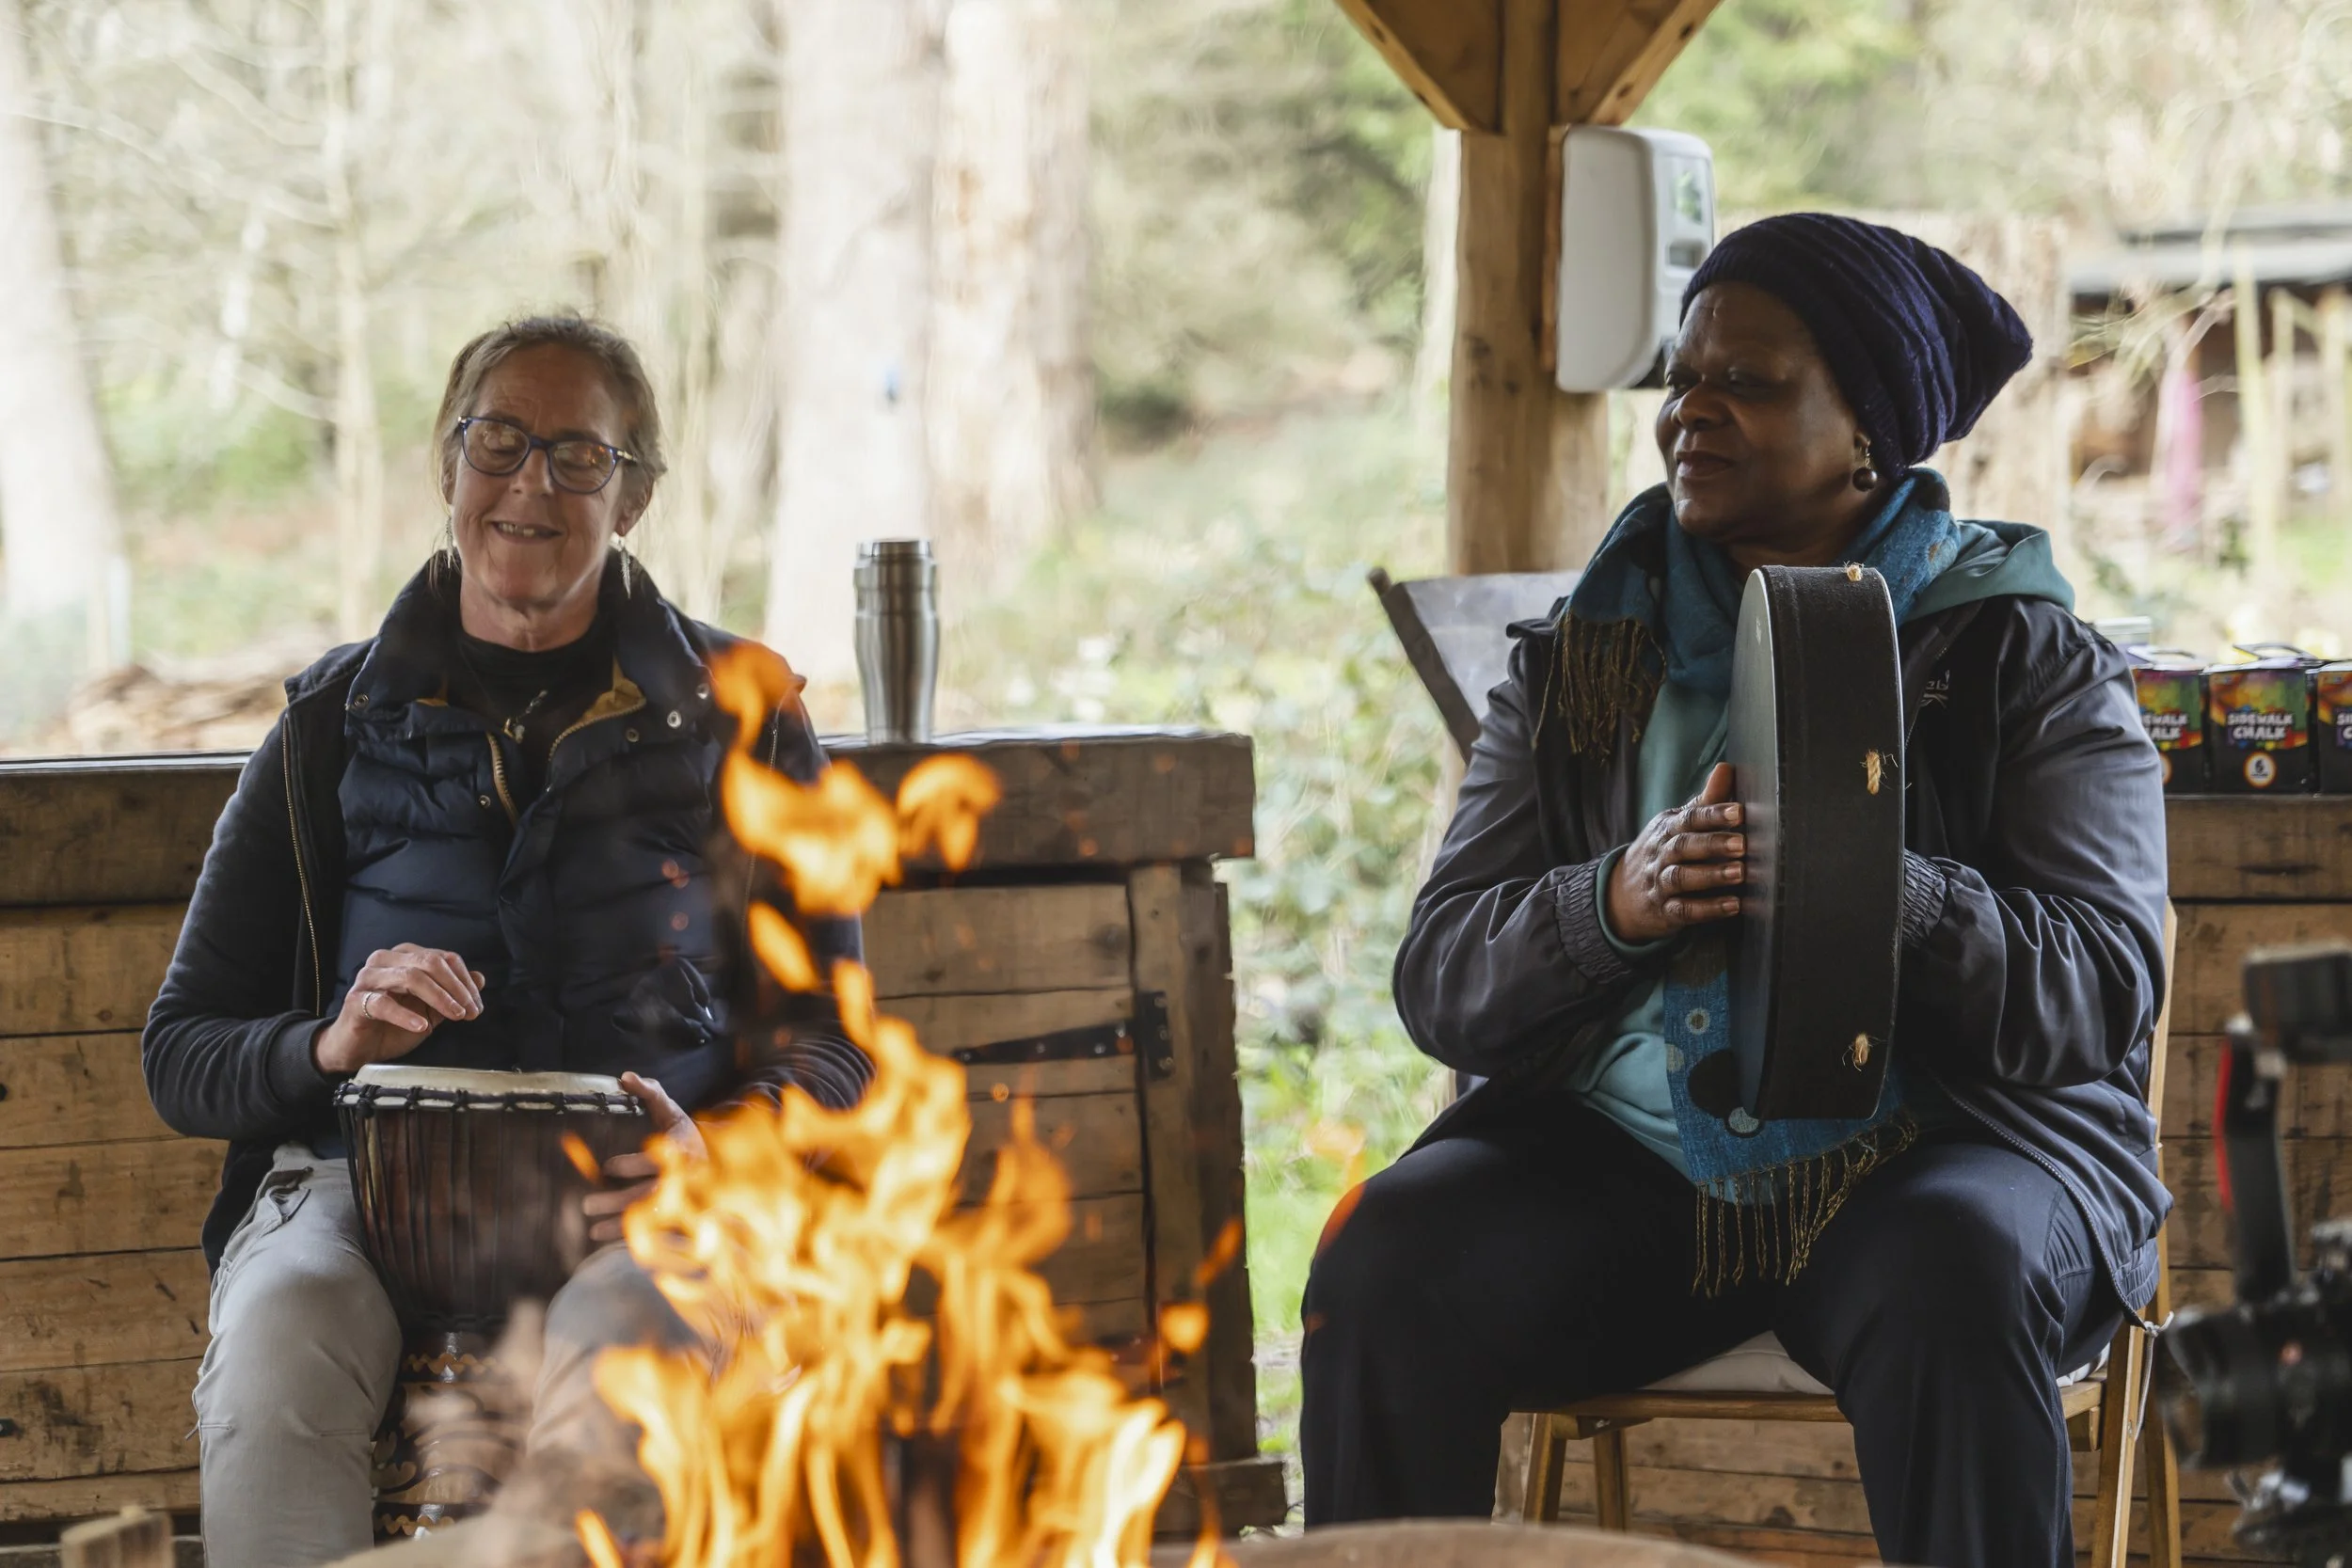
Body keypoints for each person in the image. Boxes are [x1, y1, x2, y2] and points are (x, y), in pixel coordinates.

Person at [1299, 215, 2169, 1568]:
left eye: (1749, 381)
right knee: (1387, 1266)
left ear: (1871, 429)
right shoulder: (1583, 658)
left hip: (1948, 1147)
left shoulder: (2023, 652)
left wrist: (1883, 887)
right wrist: (1613, 904)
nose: (1689, 413)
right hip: (1637, 1171)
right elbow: (1444, 976)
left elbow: (2102, 988)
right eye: (1682, 378)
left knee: (1957, 1272)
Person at [142, 315, 867, 1568]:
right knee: (280, 1339)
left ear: (630, 496)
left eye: (578, 455)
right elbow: (181, 1051)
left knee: (632, 1357)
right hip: (355, 1194)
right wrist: (330, 1039)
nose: (531, 482)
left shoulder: (750, 717)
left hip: (649, 1206)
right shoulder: (328, 723)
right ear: (446, 464)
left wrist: (726, 1150)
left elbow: (839, 1051)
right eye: (499, 441)